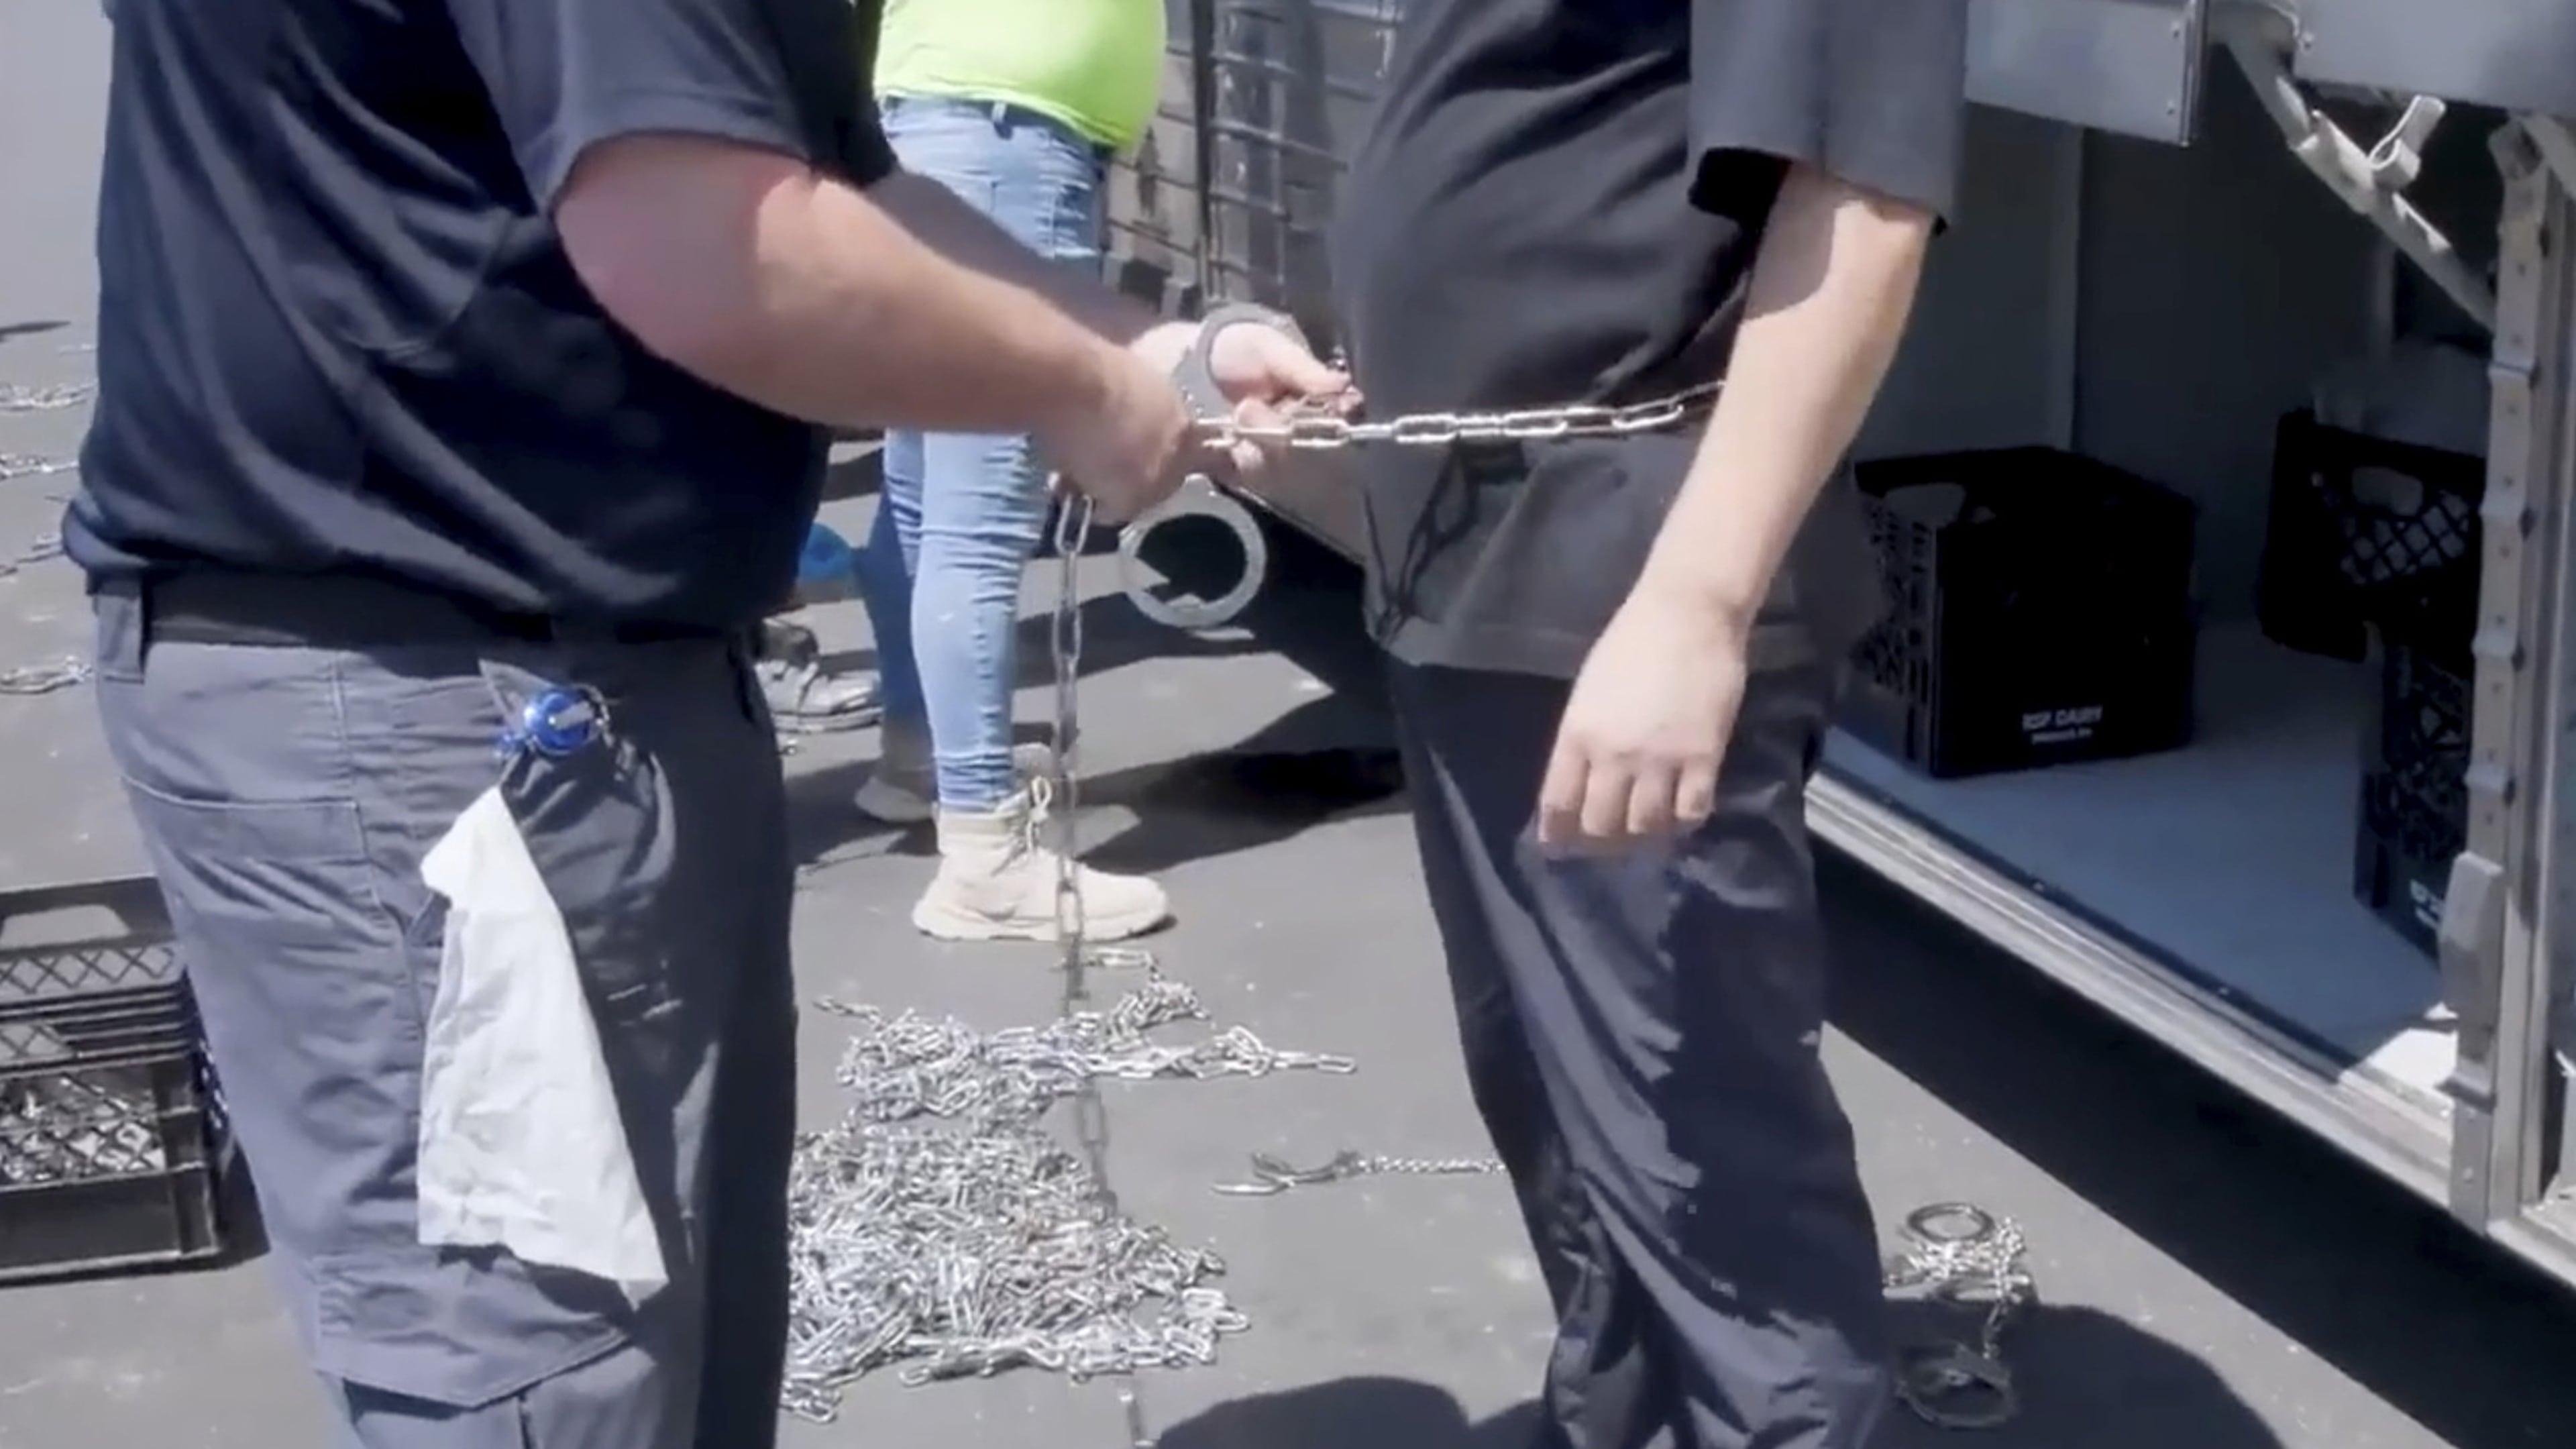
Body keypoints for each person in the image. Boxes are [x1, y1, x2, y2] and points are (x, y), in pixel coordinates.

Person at [70, 3, 1336, 1447]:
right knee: (552, 1366)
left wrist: (1141, 344)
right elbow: (709, 241)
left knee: (683, 1332)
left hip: (583, 664)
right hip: (422, 686)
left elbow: (840, 187)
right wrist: (1076, 387)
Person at [1330, 3, 1968, 1447]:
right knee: (1570, 1136)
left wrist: (1694, 607)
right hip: (1477, 556)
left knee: (1709, 1183)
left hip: (1619, 562)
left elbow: (1859, 200)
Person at [851, 0, 1173, 943]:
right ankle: (984, 860)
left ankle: (923, 760)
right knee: (978, 524)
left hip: (958, 130)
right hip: (1004, 144)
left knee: (924, 495)